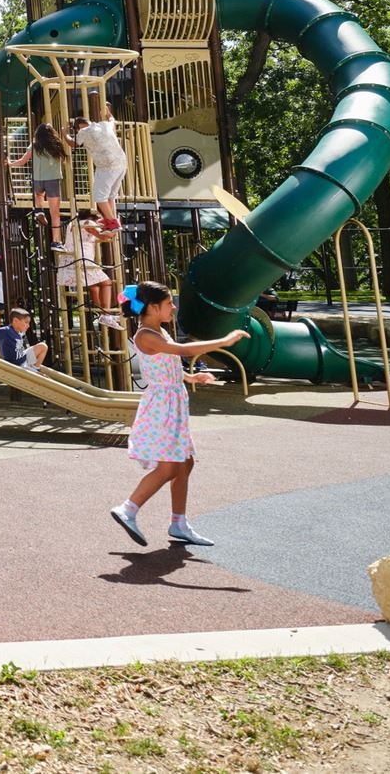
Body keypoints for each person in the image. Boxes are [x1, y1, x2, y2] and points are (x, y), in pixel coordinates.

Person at [109, 280, 250, 547]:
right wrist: (225, 340)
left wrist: (190, 376)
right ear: (152, 307)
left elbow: (167, 362)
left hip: (172, 402)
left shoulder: (158, 331)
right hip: (162, 407)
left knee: (185, 463)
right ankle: (128, 508)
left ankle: (179, 523)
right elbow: (183, 351)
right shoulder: (146, 335)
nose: (173, 307)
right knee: (169, 466)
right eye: (168, 303)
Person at [71, 95, 127, 237]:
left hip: (107, 166)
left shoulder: (83, 132)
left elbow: (73, 144)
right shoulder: (103, 125)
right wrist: (108, 111)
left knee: (99, 197)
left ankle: (113, 222)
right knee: (110, 196)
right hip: (121, 163)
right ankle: (110, 220)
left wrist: (65, 134)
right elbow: (112, 120)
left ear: (78, 128)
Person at [15, 123, 70, 240]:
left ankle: (39, 211)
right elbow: (64, 158)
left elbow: (22, 161)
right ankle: (56, 240)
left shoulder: (35, 146)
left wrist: (10, 164)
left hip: (38, 179)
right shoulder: (56, 145)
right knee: (55, 213)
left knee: (39, 196)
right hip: (53, 179)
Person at [0, 307, 48, 371]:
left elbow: (4, 337)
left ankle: (35, 368)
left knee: (42, 346)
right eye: (26, 322)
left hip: (22, 358)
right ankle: (33, 369)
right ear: (15, 321)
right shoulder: (7, 330)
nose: (28, 325)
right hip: (17, 363)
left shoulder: (18, 331)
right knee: (43, 346)